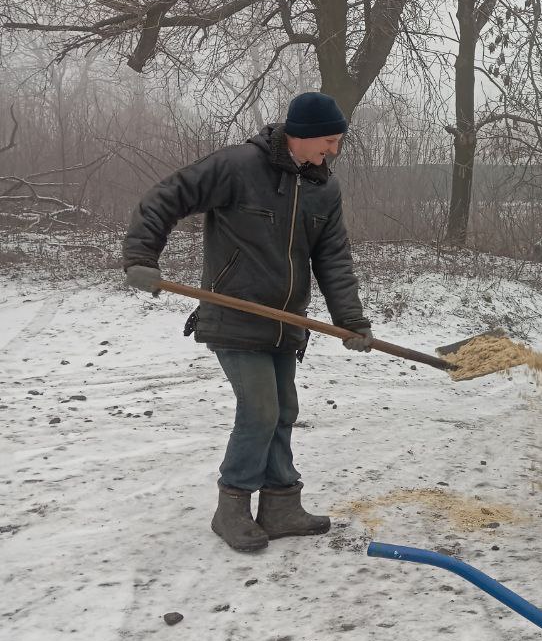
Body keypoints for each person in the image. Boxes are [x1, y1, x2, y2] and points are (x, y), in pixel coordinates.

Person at [121, 92, 375, 553]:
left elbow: (333, 258)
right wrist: (142, 256)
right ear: (301, 135)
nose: (333, 151)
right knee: (260, 411)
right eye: (329, 141)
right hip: (234, 316)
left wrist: (352, 320)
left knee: (282, 412)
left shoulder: (324, 189)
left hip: (285, 323)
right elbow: (166, 197)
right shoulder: (238, 167)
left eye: (338, 142)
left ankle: (280, 505)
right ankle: (231, 507)